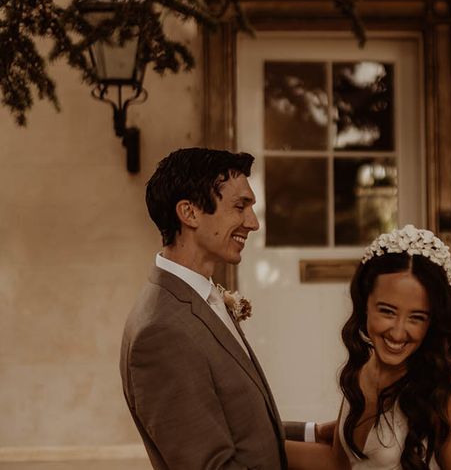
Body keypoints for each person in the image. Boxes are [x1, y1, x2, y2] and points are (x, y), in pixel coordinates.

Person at [120, 147, 310, 469]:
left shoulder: (199, 298)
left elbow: (243, 425)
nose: (253, 223)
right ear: (190, 213)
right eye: (240, 207)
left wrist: (316, 432)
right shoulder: (162, 332)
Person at [286, 225, 451, 470]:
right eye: (387, 311)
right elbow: (339, 463)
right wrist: (253, 446)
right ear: (365, 302)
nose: (398, 332)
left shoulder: (447, 386)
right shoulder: (362, 371)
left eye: (417, 317)